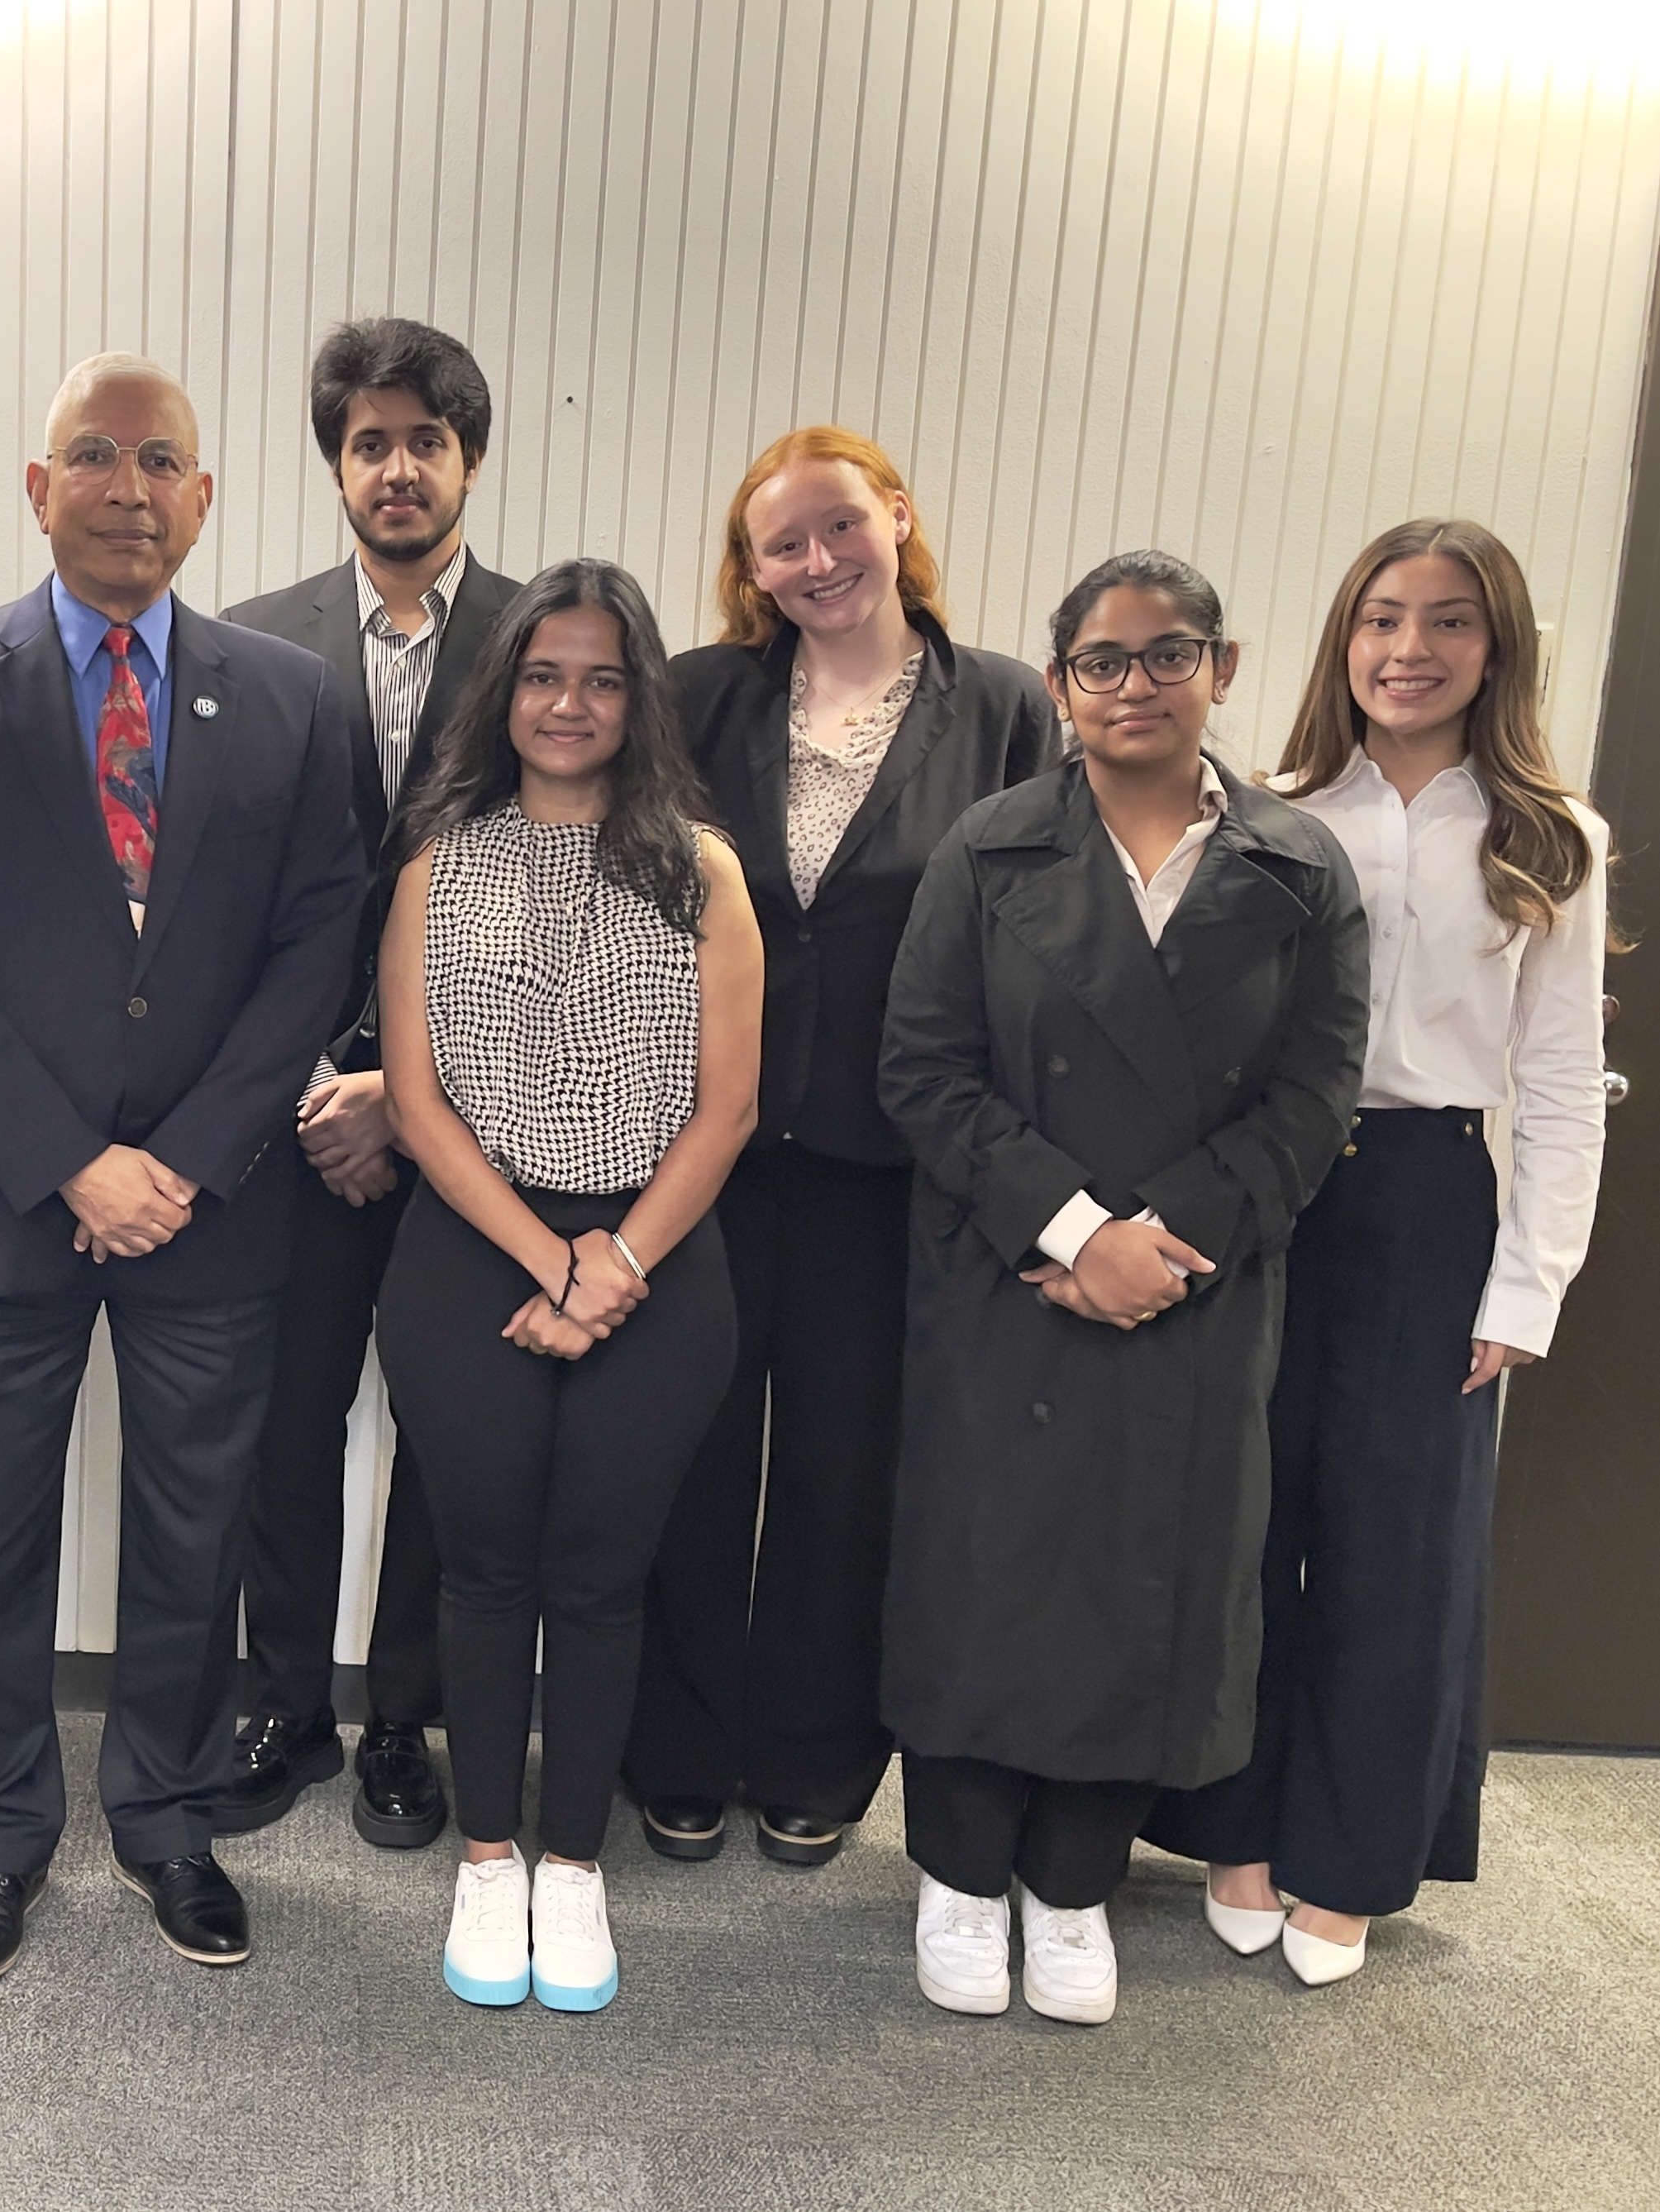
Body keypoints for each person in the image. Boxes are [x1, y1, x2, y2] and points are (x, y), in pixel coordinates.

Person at [0, 352, 363, 1988]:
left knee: (190, 1528)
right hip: (3, 1197)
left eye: (163, 460)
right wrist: (75, 1159)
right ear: (37, 486)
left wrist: (190, 1157)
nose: (129, 485)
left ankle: (166, 1816)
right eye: (94, 453)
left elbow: (314, 949)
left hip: (212, 1210)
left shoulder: (289, 696)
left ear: (205, 498)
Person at [877, 549, 1369, 2026]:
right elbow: (922, 1067)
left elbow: (1313, 1097)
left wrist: (1156, 1243)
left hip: (1197, 1287)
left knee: (1145, 1580)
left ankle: (1074, 1886)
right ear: (1058, 686)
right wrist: (1074, 1228)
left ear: (1223, 670)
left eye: (1170, 655)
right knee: (987, 1568)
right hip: (1006, 1272)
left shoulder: (1299, 871)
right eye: (1104, 660)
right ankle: (961, 1876)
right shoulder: (989, 846)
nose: (1137, 683)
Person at [1142, 521, 1610, 1986]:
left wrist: (1528, 1285)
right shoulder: (1269, 810)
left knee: (1395, 1546)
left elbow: (1555, 1077)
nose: (1410, 650)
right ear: (1343, 641)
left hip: (1426, 1199)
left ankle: (1349, 1860)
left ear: (1496, 647)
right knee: (1243, 1522)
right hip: (1276, 1183)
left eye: (1448, 623)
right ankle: (1235, 1827)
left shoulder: (1550, 836)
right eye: (1382, 620)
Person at [622, 429, 1053, 1871]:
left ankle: (812, 1755)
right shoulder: (695, 697)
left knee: (842, 1469)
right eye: (781, 544)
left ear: (897, 521)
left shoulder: (1001, 711)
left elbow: (1049, 931)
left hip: (893, 1169)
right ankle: (675, 1747)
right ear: (750, 571)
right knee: (682, 1453)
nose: (815, 562)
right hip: (703, 1152)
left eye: (837, 528)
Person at [374, 560, 760, 2014]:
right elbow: (413, 1100)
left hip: (660, 1258)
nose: (569, 704)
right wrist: (554, 1262)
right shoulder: (439, 861)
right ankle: (488, 1858)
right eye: (543, 675)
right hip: (472, 1256)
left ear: (639, 697)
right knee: (481, 1570)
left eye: (602, 678)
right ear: (505, 692)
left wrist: (616, 1264)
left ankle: (574, 1869)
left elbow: (726, 1108)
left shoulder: (702, 869)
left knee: (602, 1579)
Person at [215, 317, 520, 1850]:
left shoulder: (551, 642)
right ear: (336, 462)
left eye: (425, 440)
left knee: (447, 1430)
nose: (396, 467)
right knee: (290, 1420)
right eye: (368, 442)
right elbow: (226, 904)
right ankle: (285, 1699)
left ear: (470, 457)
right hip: (299, 1118)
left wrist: (415, 1094)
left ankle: (406, 1711)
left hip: (484, 1122)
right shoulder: (253, 640)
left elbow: (569, 901)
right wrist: (321, 1088)